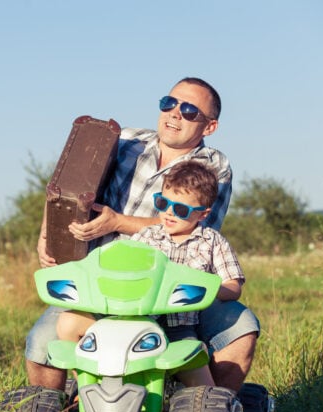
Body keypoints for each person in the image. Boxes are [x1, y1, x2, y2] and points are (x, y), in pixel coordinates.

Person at [26, 77, 259, 393]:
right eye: (169, 103)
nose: (175, 113)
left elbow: (195, 231)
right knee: (42, 342)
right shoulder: (125, 140)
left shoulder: (213, 167)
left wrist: (116, 222)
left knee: (241, 328)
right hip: (99, 281)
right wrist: (48, 232)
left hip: (172, 289)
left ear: (209, 127)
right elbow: (66, 183)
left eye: (190, 110)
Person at [57, 160, 246, 389]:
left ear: (203, 214)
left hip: (178, 329)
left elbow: (233, 286)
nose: (168, 213)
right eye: (163, 202)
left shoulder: (212, 242)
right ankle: (86, 388)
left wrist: (208, 287)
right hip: (132, 322)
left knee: (204, 390)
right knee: (68, 322)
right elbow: (118, 266)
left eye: (181, 209)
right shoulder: (147, 236)